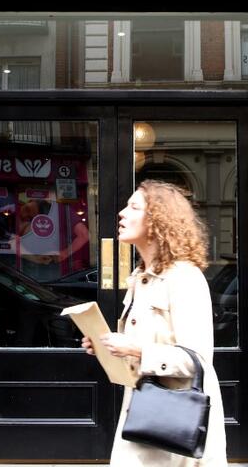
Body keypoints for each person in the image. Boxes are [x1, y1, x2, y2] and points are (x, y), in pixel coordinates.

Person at [82, 180, 228, 467]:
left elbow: (197, 360)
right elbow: (140, 355)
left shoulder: (184, 278)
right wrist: (107, 347)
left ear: (159, 221)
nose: (122, 213)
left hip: (172, 430)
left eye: (134, 207)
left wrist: (135, 349)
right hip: (143, 418)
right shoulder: (141, 278)